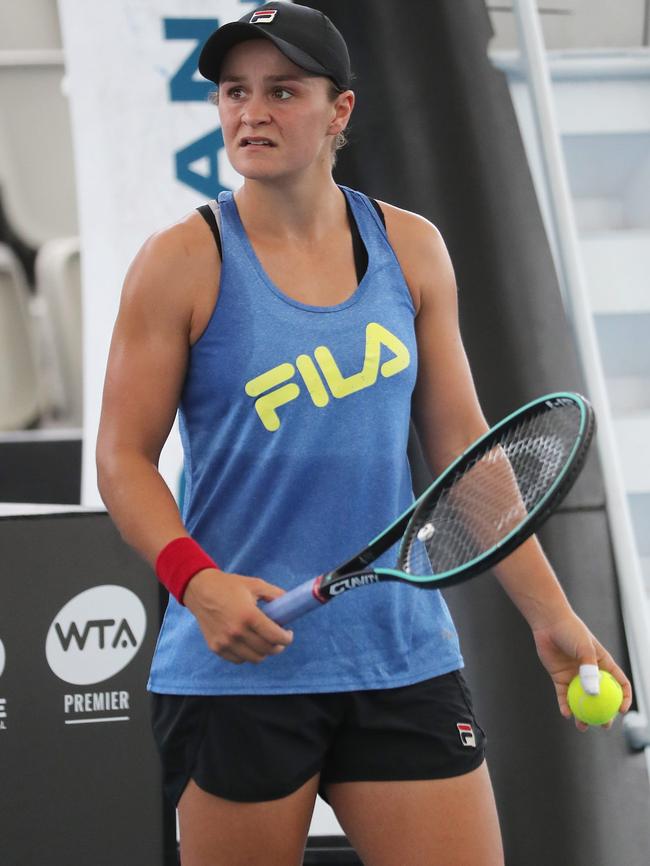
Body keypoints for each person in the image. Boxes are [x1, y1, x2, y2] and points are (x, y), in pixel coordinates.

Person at [96, 4, 632, 865]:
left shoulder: (411, 249)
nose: (251, 112)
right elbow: (122, 459)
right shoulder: (181, 261)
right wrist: (195, 584)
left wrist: (553, 618)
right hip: (239, 671)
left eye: (282, 91)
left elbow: (468, 460)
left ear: (340, 110)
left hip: (400, 657)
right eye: (235, 92)